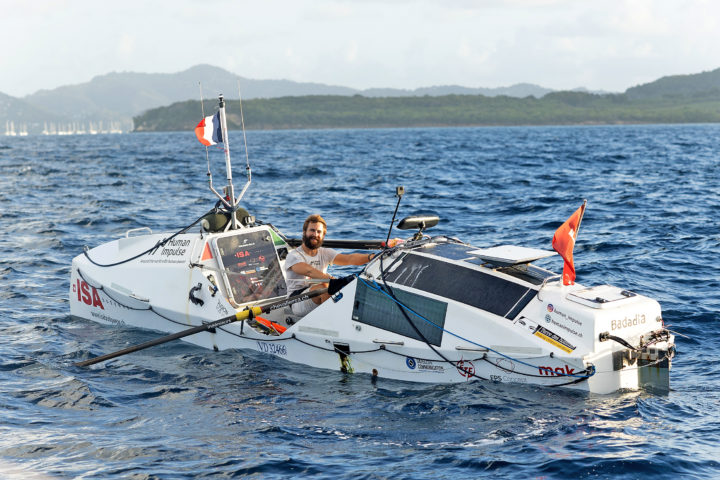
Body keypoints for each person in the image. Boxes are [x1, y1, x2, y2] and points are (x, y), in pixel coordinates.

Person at [285, 214, 380, 316]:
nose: (315, 234)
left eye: (319, 232)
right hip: (296, 300)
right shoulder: (294, 256)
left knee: (338, 287)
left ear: (323, 236)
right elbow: (309, 271)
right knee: (325, 287)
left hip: (317, 291)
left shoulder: (325, 252)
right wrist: (332, 280)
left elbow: (349, 259)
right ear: (304, 232)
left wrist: (372, 257)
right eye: (312, 230)